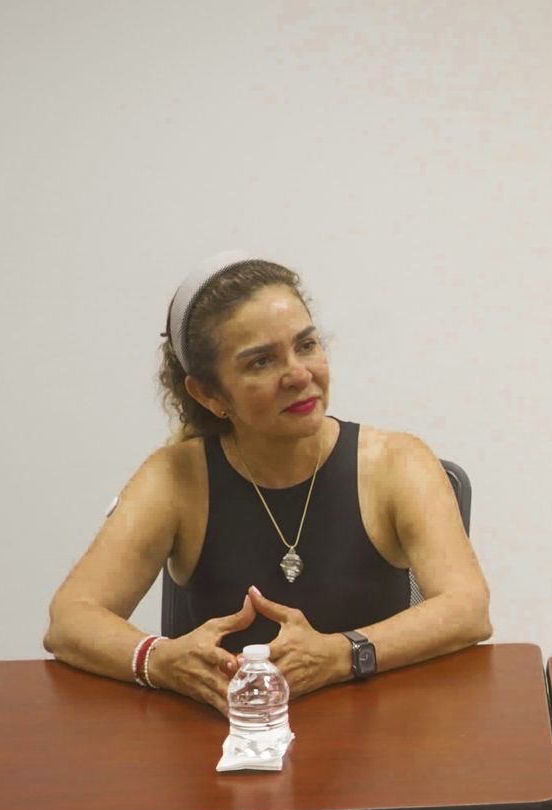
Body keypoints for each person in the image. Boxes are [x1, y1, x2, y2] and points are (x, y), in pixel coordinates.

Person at [45, 253, 491, 711]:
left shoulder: (396, 462)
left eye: (306, 345)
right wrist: (157, 660)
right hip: (227, 737)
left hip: (377, 734)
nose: (299, 374)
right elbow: (70, 620)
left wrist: (343, 654)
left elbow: (468, 608)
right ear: (209, 394)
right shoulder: (175, 477)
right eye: (261, 362)